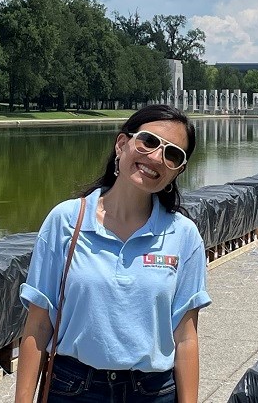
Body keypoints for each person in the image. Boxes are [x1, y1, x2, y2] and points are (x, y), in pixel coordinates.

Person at [15, 104, 211, 403]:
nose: (157, 157)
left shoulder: (184, 236)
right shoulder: (66, 221)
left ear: (178, 171)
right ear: (122, 144)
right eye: (149, 141)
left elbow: (185, 339)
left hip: (153, 392)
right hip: (72, 389)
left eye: (173, 154)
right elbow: (39, 325)